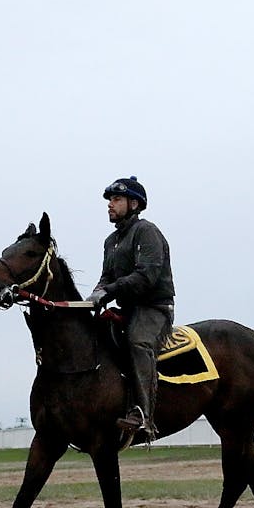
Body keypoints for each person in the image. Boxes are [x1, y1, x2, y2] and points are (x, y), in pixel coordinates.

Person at [87, 176, 174, 436]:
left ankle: (144, 415)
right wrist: (93, 296)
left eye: (116, 199)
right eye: (109, 201)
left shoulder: (146, 231)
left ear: (134, 203)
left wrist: (107, 292)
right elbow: (107, 277)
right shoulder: (110, 241)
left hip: (154, 309)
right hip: (128, 309)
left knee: (137, 342)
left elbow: (145, 277)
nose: (110, 205)